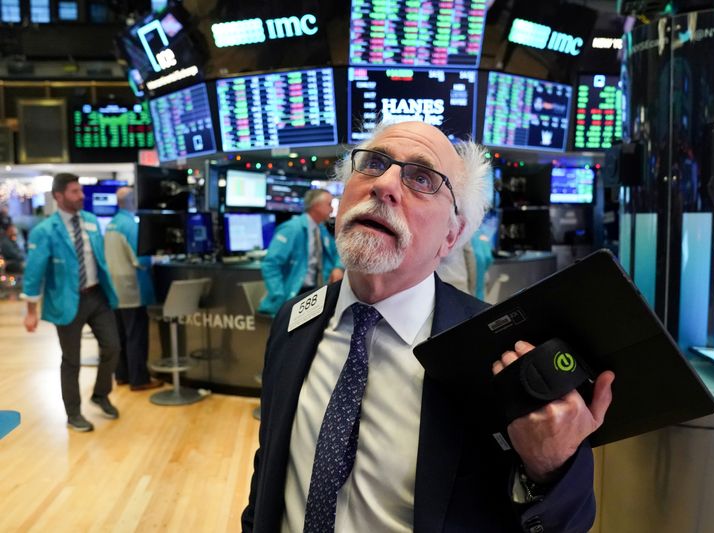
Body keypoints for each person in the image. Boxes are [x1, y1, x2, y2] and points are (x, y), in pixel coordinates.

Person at [242, 121, 615, 532]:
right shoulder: (294, 321)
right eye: (373, 163)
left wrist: (549, 469)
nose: (384, 184)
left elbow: (567, 522)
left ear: (452, 235)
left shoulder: (496, 352)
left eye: (421, 178)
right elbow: (268, 473)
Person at [22, 173, 121, 433]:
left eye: (81, 191)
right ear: (59, 196)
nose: (81, 196)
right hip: (66, 300)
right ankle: (73, 413)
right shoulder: (44, 231)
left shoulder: (89, 221)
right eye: (75, 192)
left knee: (113, 347)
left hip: (97, 295)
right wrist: (30, 310)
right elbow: (34, 272)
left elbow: (98, 259)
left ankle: (100, 394)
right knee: (71, 360)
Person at [104, 186, 163, 391]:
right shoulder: (131, 226)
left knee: (121, 335)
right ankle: (139, 379)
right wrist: (158, 256)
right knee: (136, 335)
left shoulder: (112, 224)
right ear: (133, 201)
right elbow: (142, 259)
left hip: (115, 290)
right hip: (132, 289)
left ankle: (122, 375)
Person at [258, 188, 344, 316]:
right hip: (294, 294)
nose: (332, 209)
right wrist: (279, 295)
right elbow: (270, 264)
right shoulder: (292, 229)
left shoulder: (320, 230)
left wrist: (338, 268)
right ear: (316, 205)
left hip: (315, 293)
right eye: (329, 204)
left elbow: (339, 252)